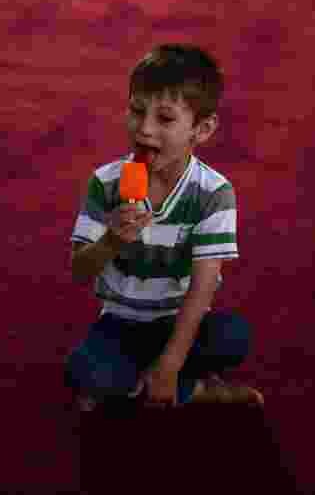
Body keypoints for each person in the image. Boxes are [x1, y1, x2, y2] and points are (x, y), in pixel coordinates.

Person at [65, 43, 264, 411]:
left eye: (166, 119)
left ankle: (152, 384)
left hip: (179, 320)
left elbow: (203, 290)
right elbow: (79, 270)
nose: (145, 129)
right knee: (83, 371)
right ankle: (195, 391)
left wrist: (171, 362)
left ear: (202, 129)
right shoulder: (105, 183)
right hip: (121, 322)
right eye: (137, 111)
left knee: (234, 337)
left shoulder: (214, 193)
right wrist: (110, 240)